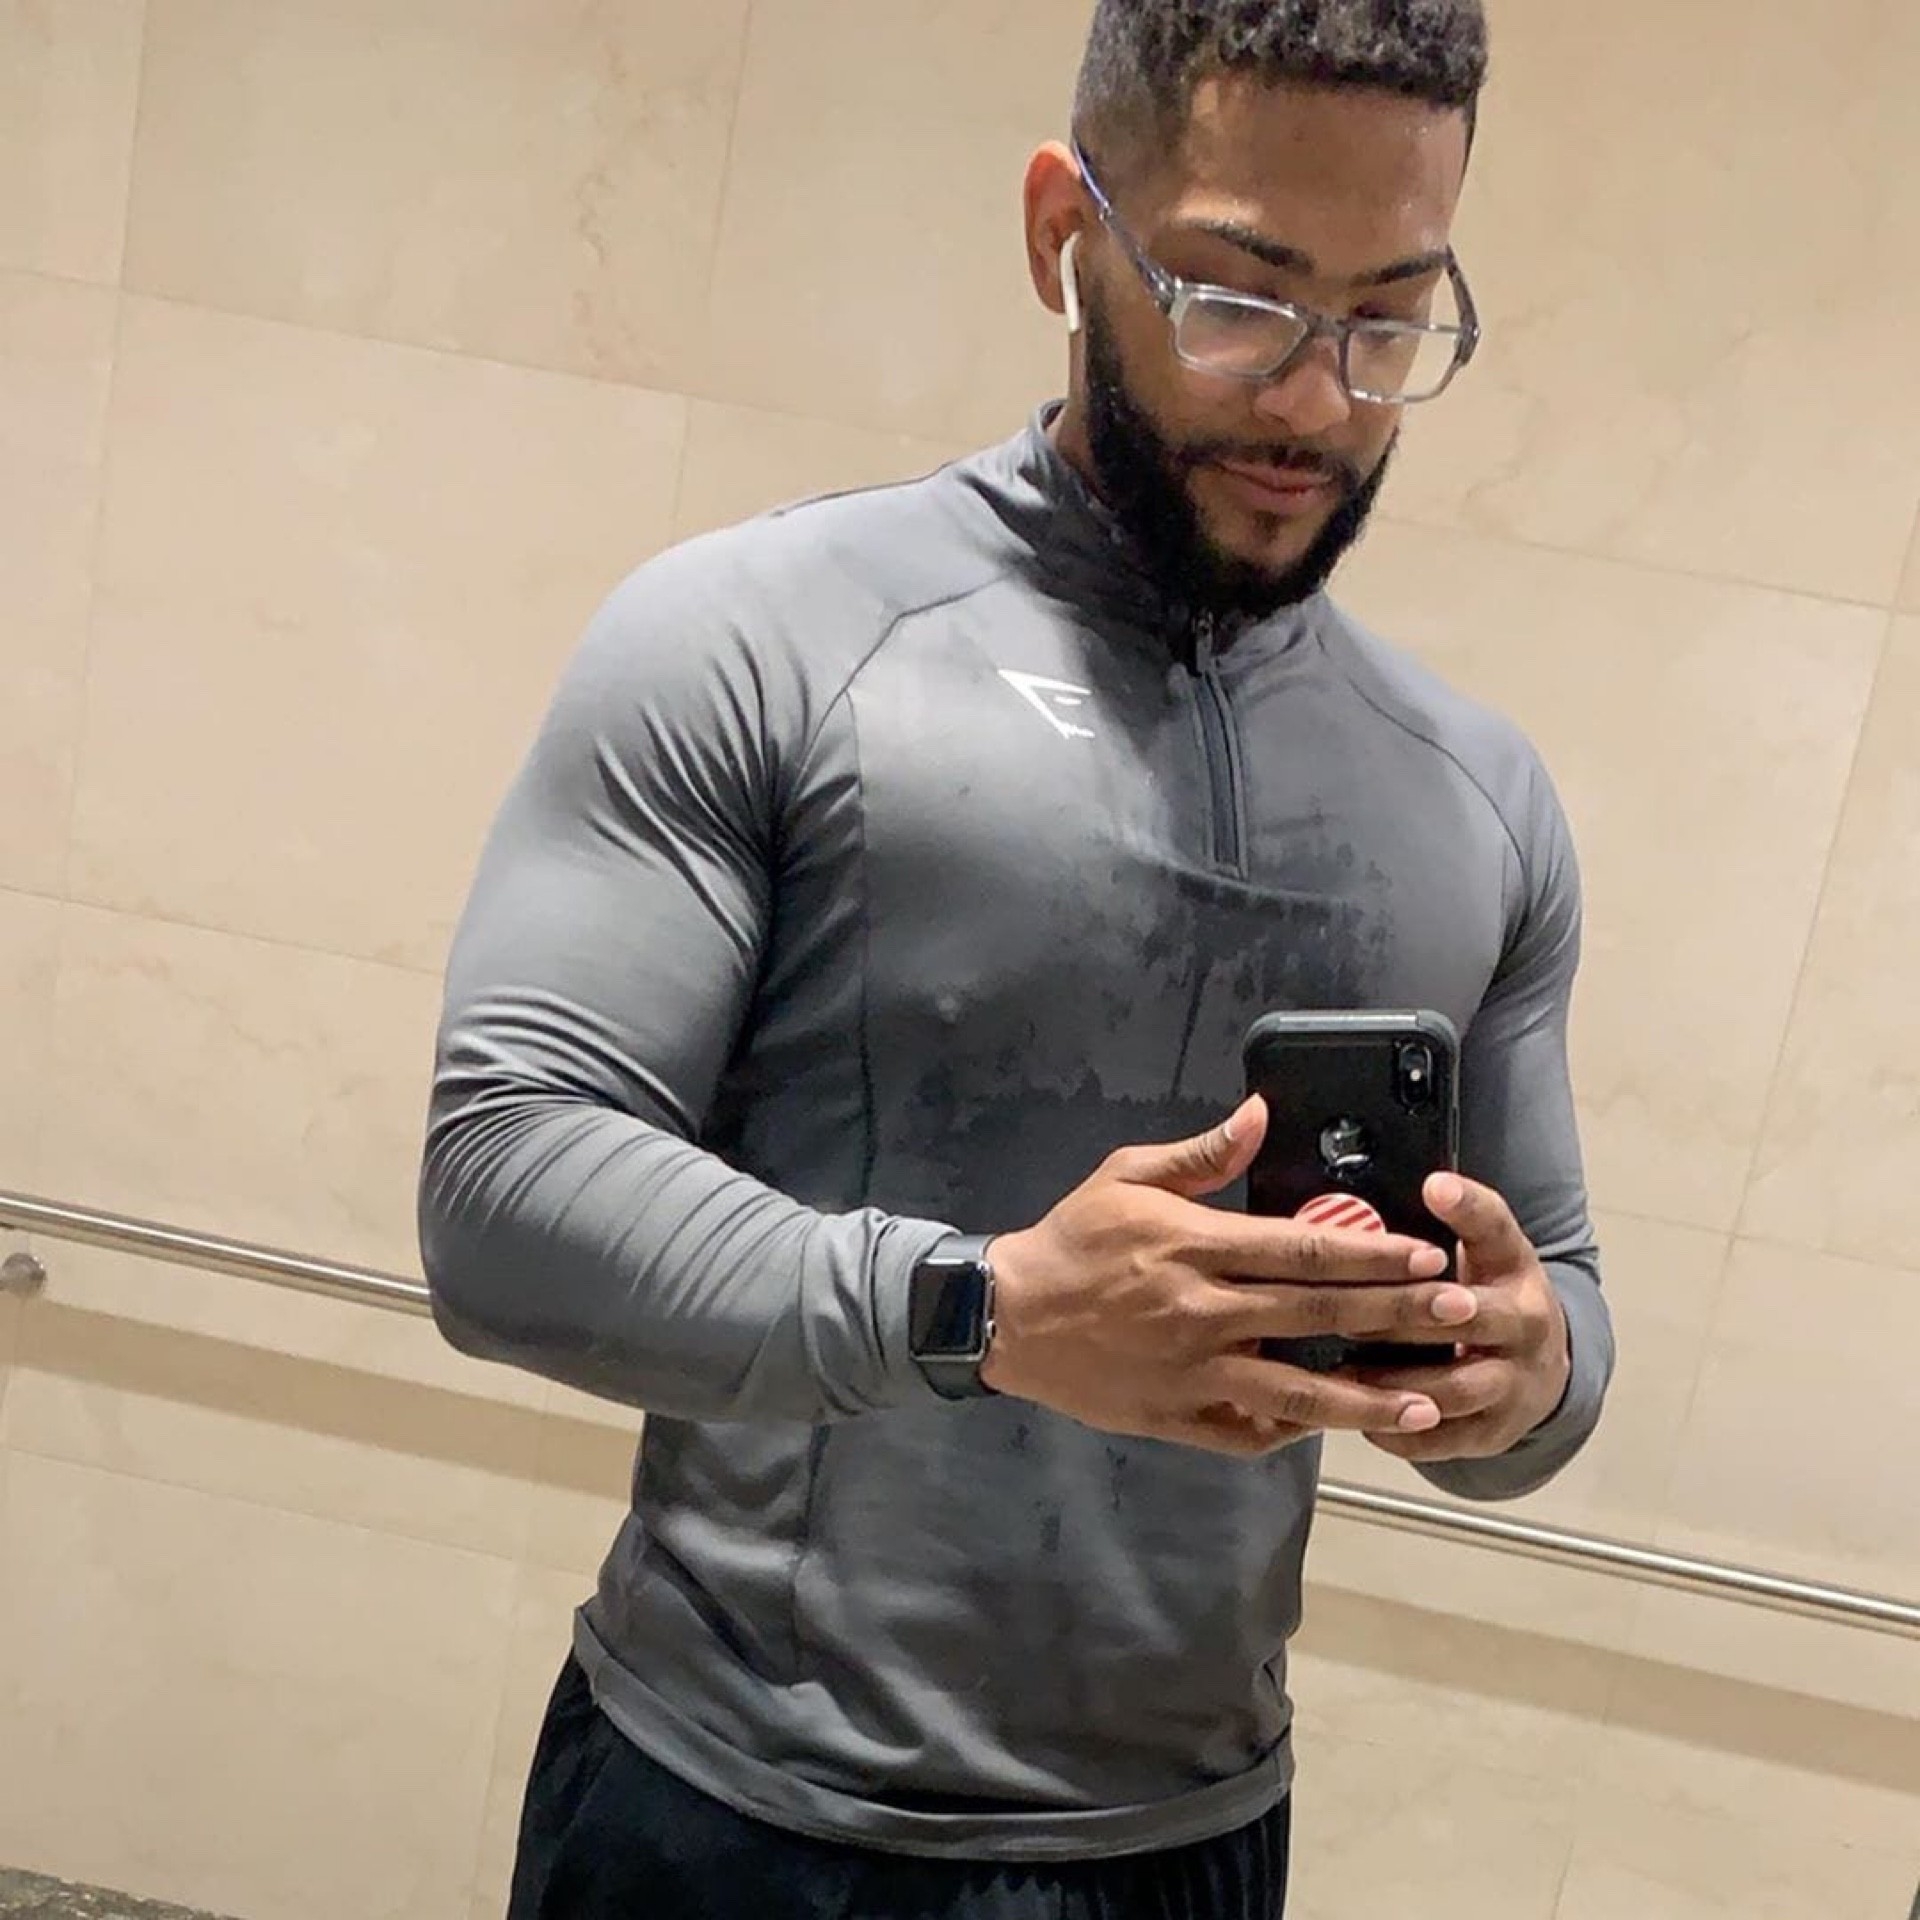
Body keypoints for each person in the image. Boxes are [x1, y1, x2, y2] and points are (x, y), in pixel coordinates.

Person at [420, 1, 1615, 1913]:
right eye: (1241, 300)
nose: (1318, 404)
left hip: (1190, 1844)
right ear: (1066, 230)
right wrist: (988, 1310)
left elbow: (1558, 1344)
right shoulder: (761, 639)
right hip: (734, 1820)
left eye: (1390, 322)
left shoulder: (1477, 796)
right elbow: (502, 1191)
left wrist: (1517, 1373)